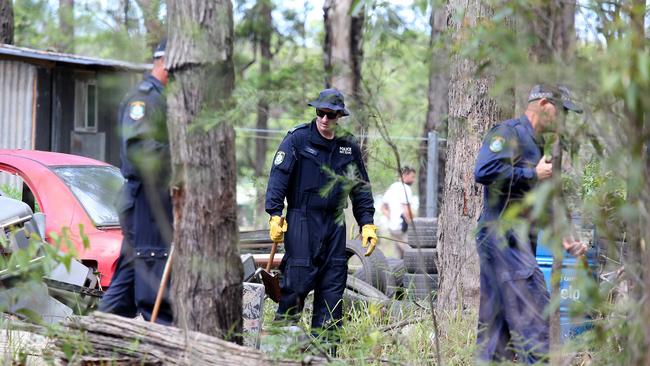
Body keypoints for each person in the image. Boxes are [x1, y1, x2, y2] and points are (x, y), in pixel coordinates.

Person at [473, 84, 588, 363]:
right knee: (535, 322)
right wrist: (531, 173)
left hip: (516, 242)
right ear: (544, 103)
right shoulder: (508, 133)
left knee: (495, 332)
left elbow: (535, 199)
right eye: (561, 111)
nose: (563, 119)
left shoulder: (538, 144)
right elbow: (484, 171)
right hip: (503, 240)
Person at [265, 88, 377, 341]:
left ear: (340, 116)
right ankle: (282, 347)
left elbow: (360, 188)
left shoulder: (348, 146)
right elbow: (278, 178)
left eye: (331, 115)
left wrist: (367, 223)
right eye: (321, 113)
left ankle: (327, 353)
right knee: (296, 282)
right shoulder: (297, 140)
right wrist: (274, 213)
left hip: (335, 224)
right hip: (302, 220)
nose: (325, 119)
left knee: (333, 286)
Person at [98, 39, 173, 324]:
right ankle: (162, 335)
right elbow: (139, 152)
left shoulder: (162, 98)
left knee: (130, 275)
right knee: (153, 271)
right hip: (144, 198)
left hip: (153, 199)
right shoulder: (144, 100)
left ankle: (96, 335)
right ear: (164, 62)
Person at [381, 166, 415, 239]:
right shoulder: (406, 188)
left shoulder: (392, 187)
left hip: (392, 228)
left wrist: (391, 218)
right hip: (402, 227)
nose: (413, 180)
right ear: (405, 175)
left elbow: (383, 208)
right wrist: (413, 226)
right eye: (412, 177)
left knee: (398, 249)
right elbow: (406, 211)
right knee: (409, 249)